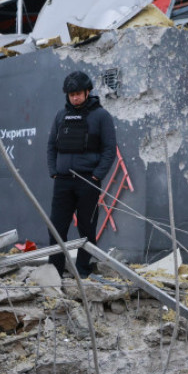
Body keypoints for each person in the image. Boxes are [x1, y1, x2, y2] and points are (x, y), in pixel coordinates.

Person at [45, 70, 117, 278]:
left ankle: (83, 272)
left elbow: (109, 150)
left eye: (78, 93)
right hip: (63, 182)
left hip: (88, 182)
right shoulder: (61, 115)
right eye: (71, 94)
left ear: (87, 92)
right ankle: (55, 271)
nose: (74, 97)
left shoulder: (101, 116)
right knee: (56, 228)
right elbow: (51, 146)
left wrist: (96, 176)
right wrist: (54, 172)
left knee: (87, 227)